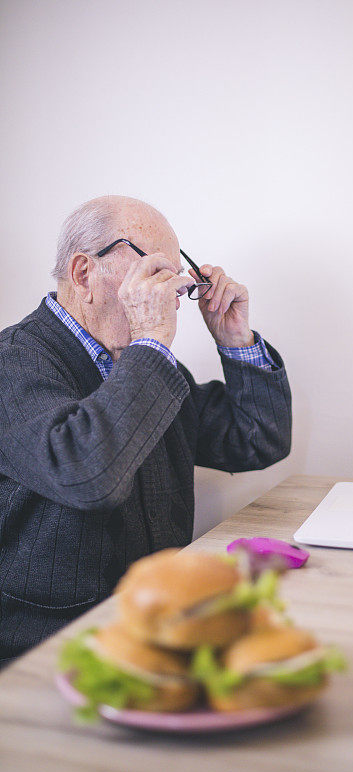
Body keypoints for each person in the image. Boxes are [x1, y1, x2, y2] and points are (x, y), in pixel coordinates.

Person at [0, 195, 291, 665]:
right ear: (83, 273)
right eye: (154, 272)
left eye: (175, 277)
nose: (173, 292)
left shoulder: (143, 363)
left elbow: (255, 439)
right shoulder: (14, 361)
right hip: (52, 648)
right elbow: (87, 473)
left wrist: (234, 339)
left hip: (159, 629)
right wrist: (152, 341)